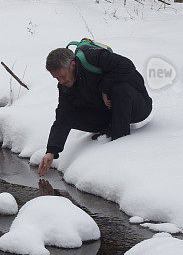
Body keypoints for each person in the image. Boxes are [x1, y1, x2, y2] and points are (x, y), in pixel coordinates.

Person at [38, 46, 152, 177]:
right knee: (70, 116)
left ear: (73, 65)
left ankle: (119, 145)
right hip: (109, 113)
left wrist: (105, 88)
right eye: (57, 78)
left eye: (62, 76)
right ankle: (111, 127)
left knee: (120, 89)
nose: (61, 81)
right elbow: (63, 117)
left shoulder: (94, 58)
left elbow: (127, 66)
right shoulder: (65, 86)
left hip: (137, 106)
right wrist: (51, 151)